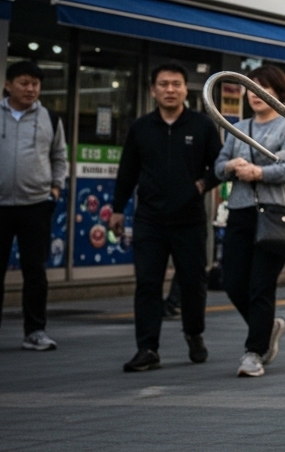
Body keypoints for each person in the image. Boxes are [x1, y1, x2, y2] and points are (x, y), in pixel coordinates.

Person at [110, 63, 223, 372]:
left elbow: (220, 164)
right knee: (147, 283)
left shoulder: (201, 125)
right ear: (153, 90)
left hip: (189, 219)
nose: (170, 89)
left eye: (176, 84)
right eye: (163, 84)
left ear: (186, 89)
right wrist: (118, 209)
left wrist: (202, 184)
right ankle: (147, 348)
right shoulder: (141, 128)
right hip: (149, 219)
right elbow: (127, 171)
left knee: (192, 282)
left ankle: (194, 334)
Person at [214, 64, 285, 378]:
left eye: (264, 90)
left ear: (278, 94)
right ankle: (267, 328)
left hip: (276, 215)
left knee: (260, 286)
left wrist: (259, 172)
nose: (256, 96)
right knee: (232, 281)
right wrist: (230, 167)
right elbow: (218, 165)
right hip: (240, 212)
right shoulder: (238, 127)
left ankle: (254, 352)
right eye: (251, 90)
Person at [0, 61, 68, 353]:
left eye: (35, 84)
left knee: (35, 270)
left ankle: (35, 331)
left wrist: (55, 189)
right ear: (8, 85)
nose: (30, 89)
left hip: (36, 205)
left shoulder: (51, 119)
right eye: (23, 83)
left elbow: (60, 157)